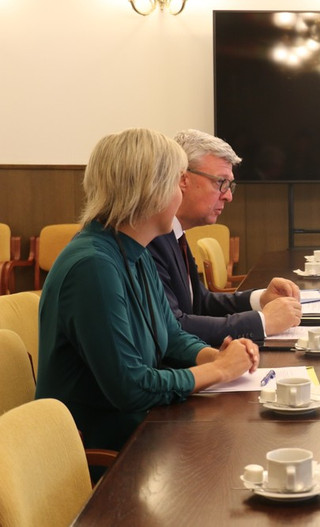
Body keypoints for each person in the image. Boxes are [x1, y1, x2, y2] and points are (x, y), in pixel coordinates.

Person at [35, 128, 258, 451]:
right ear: (150, 190)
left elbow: (170, 334)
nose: (180, 194)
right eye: (176, 183)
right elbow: (131, 388)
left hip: (139, 428)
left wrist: (215, 355)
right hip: (97, 450)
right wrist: (219, 370)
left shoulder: (133, 249)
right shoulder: (94, 266)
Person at [148, 129, 302, 347]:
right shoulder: (151, 238)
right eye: (220, 182)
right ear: (183, 178)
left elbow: (201, 303)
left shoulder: (175, 233)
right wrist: (263, 322)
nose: (228, 196)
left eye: (229, 186)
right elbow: (174, 327)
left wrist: (260, 300)